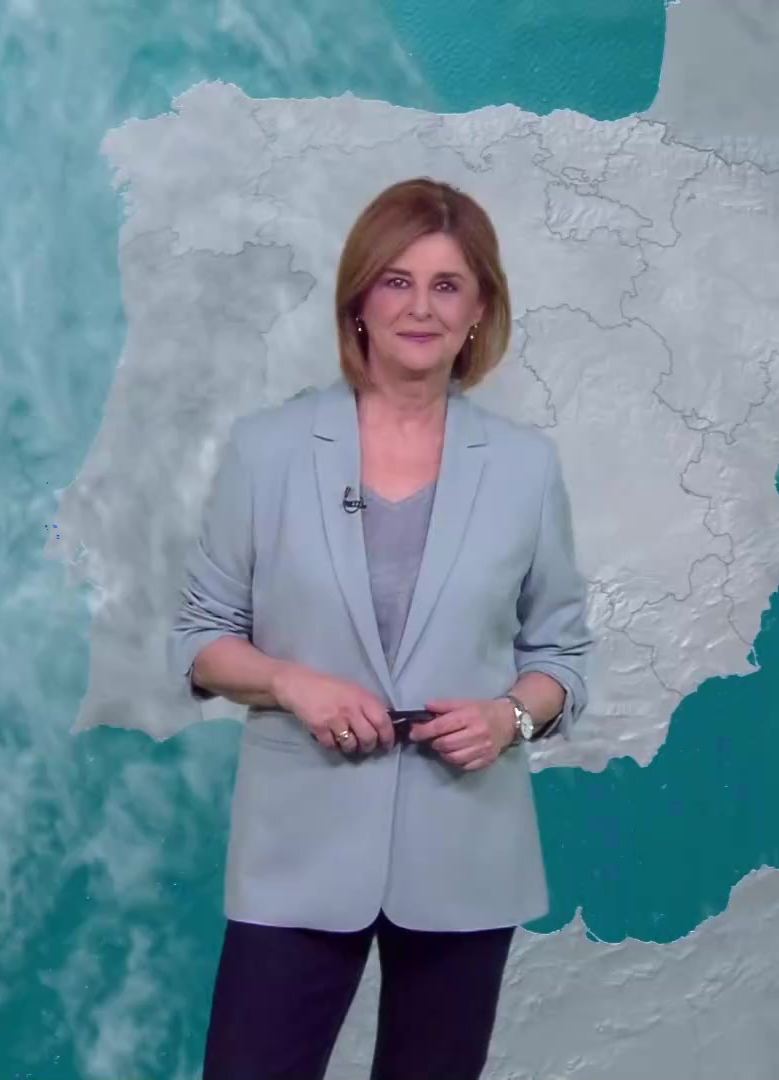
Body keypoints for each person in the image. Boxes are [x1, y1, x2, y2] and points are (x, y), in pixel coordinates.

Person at [170, 176, 594, 1080]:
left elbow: (560, 655)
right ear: (359, 300)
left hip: (466, 853)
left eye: (447, 285)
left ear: (479, 311)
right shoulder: (268, 450)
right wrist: (290, 682)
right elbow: (200, 639)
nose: (420, 307)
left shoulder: (525, 468)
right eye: (397, 281)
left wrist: (509, 717)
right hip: (298, 850)